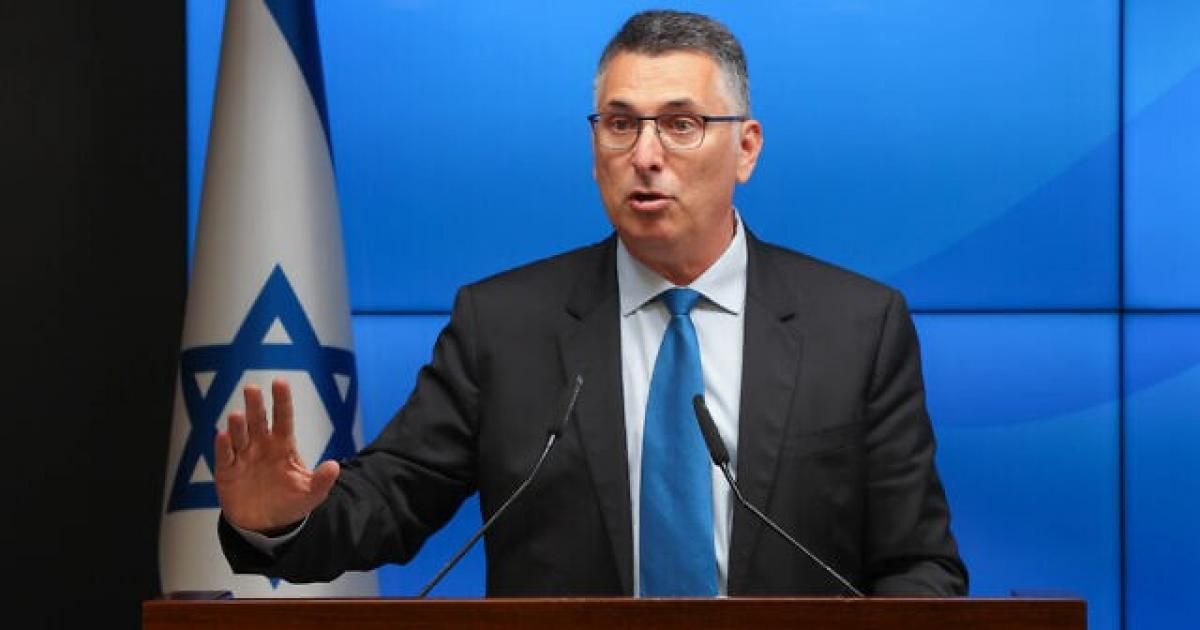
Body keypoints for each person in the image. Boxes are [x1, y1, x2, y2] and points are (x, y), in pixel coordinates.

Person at [216, 10, 967, 596]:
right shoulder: (502, 326)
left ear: (746, 148)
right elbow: (389, 501)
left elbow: (918, 565)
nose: (645, 155)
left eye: (681, 125)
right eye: (620, 124)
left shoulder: (857, 328)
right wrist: (281, 519)